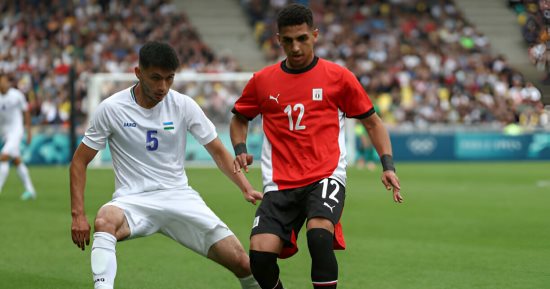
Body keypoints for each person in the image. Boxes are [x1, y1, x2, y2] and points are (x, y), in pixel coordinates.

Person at [229, 4, 403, 289]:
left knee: (319, 236)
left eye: (302, 38)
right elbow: (239, 119)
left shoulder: (339, 77)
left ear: (315, 35)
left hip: (325, 175)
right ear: (278, 39)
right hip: (279, 183)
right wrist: (239, 149)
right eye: (288, 40)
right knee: (259, 258)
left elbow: (373, 122)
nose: (295, 47)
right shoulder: (262, 81)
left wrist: (388, 166)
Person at [70, 41, 262, 289]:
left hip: (179, 197)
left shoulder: (183, 105)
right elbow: (79, 161)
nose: (163, 87)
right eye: (155, 78)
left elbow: (217, 150)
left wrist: (245, 187)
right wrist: (78, 215)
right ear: (138, 73)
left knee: (243, 264)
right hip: (133, 200)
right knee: (105, 219)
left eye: (169, 78)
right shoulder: (111, 109)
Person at [0, 73, 37, 200]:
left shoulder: (16, 95)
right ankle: (30, 190)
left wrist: (29, 131)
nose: (3, 84)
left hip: (17, 131)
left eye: (4, 81)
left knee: (3, 156)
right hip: (6, 133)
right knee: (16, 160)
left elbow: (26, 112)